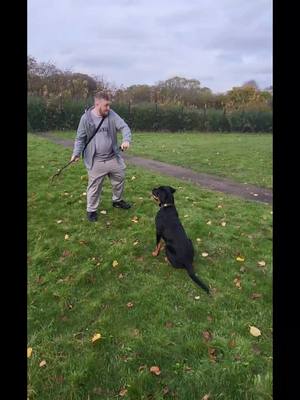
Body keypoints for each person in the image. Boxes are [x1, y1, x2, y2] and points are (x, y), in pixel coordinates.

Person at [71, 92, 132, 222]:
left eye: (109, 105)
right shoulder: (85, 119)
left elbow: (124, 127)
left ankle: (117, 200)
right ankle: (91, 210)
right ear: (97, 104)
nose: (108, 108)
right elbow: (80, 138)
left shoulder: (111, 114)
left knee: (119, 178)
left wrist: (126, 140)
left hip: (112, 157)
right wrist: (76, 153)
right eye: (106, 105)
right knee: (94, 186)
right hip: (96, 160)